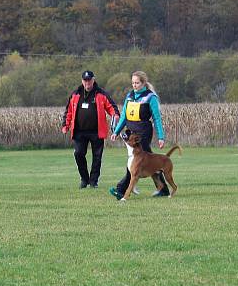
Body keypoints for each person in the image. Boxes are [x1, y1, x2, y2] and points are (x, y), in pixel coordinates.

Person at [109, 71, 169, 199]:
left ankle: (121, 189)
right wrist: (116, 132)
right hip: (130, 133)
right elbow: (124, 116)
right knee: (151, 162)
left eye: (137, 83)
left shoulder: (150, 97)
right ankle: (163, 189)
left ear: (143, 83)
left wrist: (161, 137)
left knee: (135, 162)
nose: (134, 85)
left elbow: (157, 118)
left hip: (142, 134)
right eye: (133, 83)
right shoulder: (130, 96)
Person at [61, 70, 120, 188]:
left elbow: (112, 108)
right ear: (82, 81)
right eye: (85, 80)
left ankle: (93, 182)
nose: (87, 83)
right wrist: (65, 125)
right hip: (79, 131)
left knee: (97, 157)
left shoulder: (101, 94)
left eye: (89, 80)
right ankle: (84, 179)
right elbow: (69, 111)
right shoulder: (75, 94)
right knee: (78, 154)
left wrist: (116, 116)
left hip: (97, 131)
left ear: (93, 80)